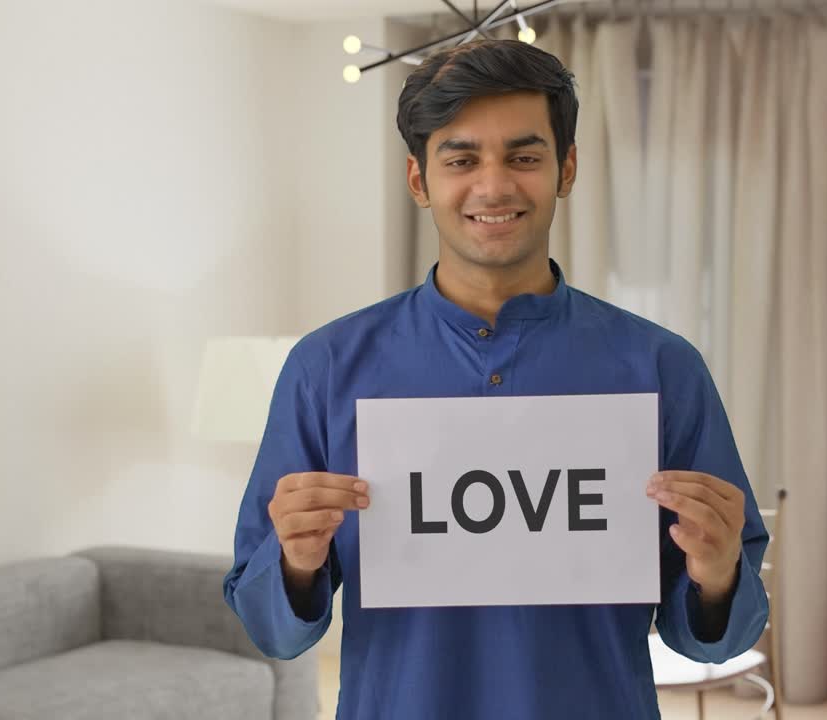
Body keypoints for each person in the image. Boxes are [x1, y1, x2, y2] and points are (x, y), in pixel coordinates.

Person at [224, 38, 769, 720]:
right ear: (419, 180)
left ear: (566, 168)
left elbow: (717, 639)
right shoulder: (326, 368)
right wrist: (296, 564)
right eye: (461, 159)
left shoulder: (661, 367)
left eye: (524, 156)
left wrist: (717, 575)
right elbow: (270, 628)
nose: (494, 185)